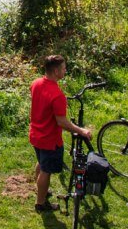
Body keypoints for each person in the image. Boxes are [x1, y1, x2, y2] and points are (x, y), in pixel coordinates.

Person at [29, 55, 94, 213]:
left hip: (35, 134)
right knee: (46, 170)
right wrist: (81, 130)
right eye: (64, 68)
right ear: (56, 70)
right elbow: (62, 122)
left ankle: (41, 190)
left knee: (41, 162)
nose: (66, 70)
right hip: (49, 138)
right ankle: (41, 203)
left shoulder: (36, 83)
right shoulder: (57, 95)